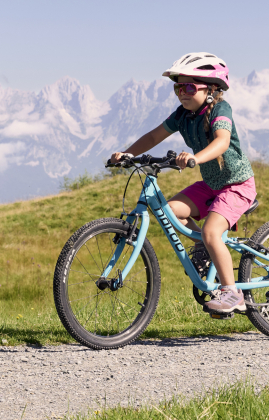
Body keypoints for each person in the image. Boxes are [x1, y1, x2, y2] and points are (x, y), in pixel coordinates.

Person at [109, 53, 256, 314]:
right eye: (178, 87)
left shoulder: (221, 110)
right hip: (211, 185)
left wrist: (195, 158)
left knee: (212, 232)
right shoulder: (182, 115)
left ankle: (233, 293)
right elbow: (155, 135)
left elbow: (222, 141)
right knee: (170, 209)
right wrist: (128, 153)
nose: (182, 93)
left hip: (236, 186)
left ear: (211, 90)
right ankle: (206, 248)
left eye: (189, 87)